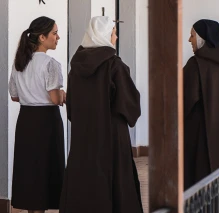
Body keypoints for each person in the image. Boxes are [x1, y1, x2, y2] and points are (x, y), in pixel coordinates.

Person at [59, 16, 143, 213]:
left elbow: (72, 106)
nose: (115, 37)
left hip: (84, 134)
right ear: (105, 36)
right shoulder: (115, 65)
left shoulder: (76, 68)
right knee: (115, 181)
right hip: (112, 134)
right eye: (113, 33)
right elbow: (129, 104)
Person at [8, 16, 66, 213]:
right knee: (47, 166)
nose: (58, 37)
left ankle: (32, 210)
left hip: (26, 121)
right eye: (55, 33)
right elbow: (55, 99)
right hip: (47, 121)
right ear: (42, 37)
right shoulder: (51, 64)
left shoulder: (19, 62)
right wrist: (63, 94)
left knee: (30, 167)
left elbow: (14, 96)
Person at [184, 19, 219, 189]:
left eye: (192, 35)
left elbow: (182, 100)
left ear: (202, 38)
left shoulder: (195, 64)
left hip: (201, 135)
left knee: (201, 182)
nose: (189, 40)